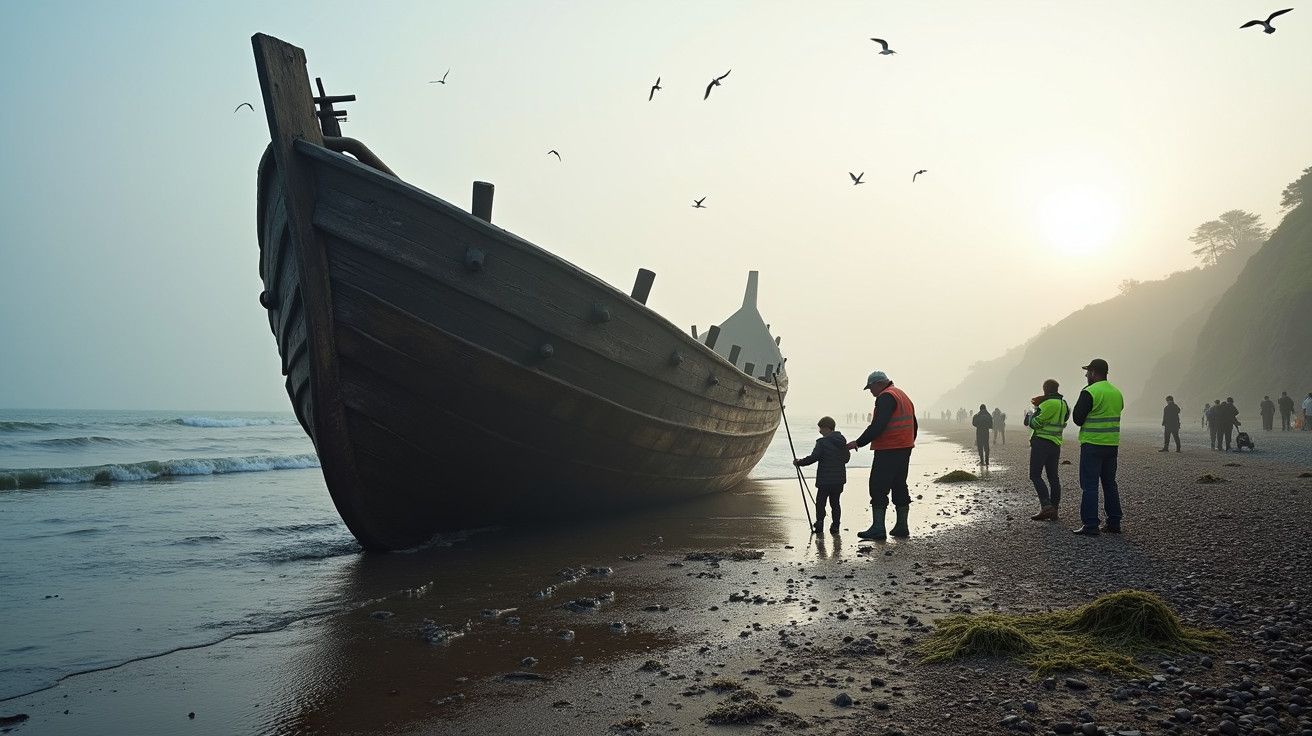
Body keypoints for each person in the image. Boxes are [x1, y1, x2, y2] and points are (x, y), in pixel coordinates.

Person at [846, 370, 917, 541]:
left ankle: (878, 528)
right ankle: (901, 526)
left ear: (878, 383)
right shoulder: (901, 395)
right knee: (899, 484)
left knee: (878, 486)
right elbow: (914, 423)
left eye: (871, 388)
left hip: (889, 449)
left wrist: (858, 442)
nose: (871, 392)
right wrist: (908, 442)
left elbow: (878, 425)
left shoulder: (885, 397)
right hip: (904, 447)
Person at [1072, 358, 1124, 536]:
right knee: (1110, 483)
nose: (1086, 375)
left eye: (1088, 372)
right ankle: (1114, 522)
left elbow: (1078, 419)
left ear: (1094, 372)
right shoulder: (1117, 393)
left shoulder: (1090, 392)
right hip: (1112, 444)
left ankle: (1091, 524)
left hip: (1092, 444)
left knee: (1090, 485)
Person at [793, 416, 851, 534]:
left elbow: (814, 457)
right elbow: (846, 459)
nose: (820, 431)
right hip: (838, 480)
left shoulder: (822, 442)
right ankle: (835, 526)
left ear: (828, 428)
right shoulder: (842, 441)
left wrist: (799, 462)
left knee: (820, 503)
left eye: (821, 428)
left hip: (825, 480)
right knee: (835, 503)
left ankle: (819, 524)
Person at [1027, 378, 1069, 521]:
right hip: (1056, 443)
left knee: (1035, 475)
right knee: (1053, 477)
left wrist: (1030, 416)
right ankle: (1054, 510)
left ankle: (1046, 506)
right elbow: (1065, 419)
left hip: (1041, 443)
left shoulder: (1047, 404)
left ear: (1045, 389)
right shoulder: (1064, 404)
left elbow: (1035, 423)